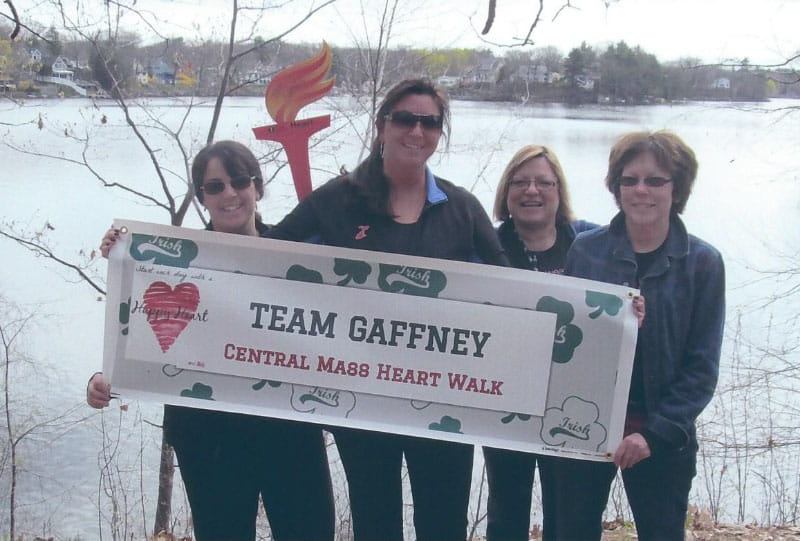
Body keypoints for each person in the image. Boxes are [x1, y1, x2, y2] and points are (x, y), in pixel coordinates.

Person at [268, 78, 508, 541]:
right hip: (362, 398)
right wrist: (157, 255)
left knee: (444, 526)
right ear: (381, 126)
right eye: (404, 119)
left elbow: (514, 294)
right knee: (375, 524)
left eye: (429, 122)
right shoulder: (338, 200)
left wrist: (606, 309)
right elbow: (265, 257)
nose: (417, 131)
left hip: (443, 399)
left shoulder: (461, 208)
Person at [87, 140, 335, 541]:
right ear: (202, 197)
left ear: (257, 187)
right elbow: (144, 332)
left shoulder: (300, 255)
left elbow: (343, 329)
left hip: (289, 432)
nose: (230, 194)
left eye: (240, 181)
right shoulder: (170, 261)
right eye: (215, 186)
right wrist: (106, 378)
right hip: (209, 438)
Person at [555, 130, 725, 540]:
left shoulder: (703, 263)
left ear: (677, 188)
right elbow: (569, 342)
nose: (641, 190)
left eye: (655, 180)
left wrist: (654, 434)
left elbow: (701, 369)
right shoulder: (585, 251)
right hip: (585, 426)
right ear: (616, 188)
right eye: (629, 180)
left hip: (661, 436)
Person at [483, 144, 596, 541]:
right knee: (505, 510)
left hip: (572, 401)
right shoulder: (485, 246)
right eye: (520, 182)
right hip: (506, 401)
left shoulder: (593, 243)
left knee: (567, 513)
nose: (532, 190)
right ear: (506, 192)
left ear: (559, 191)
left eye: (544, 183)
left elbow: (622, 297)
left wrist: (633, 310)